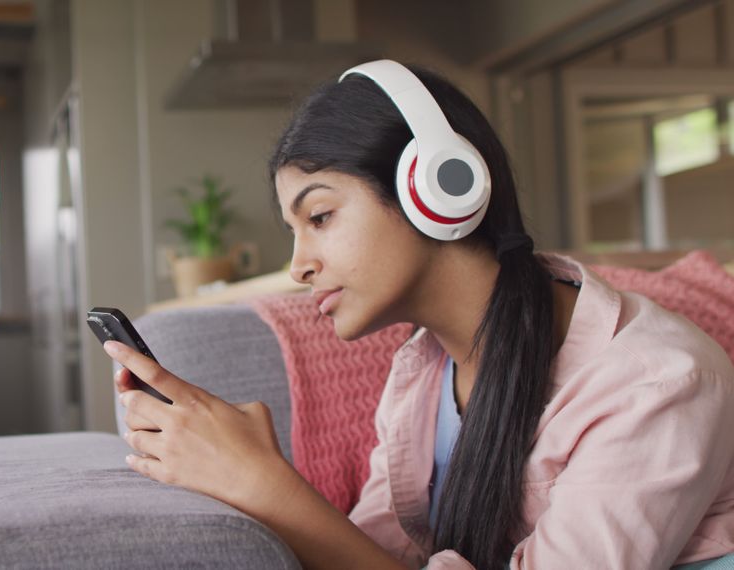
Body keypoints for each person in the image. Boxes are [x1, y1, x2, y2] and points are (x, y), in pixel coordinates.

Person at [104, 60, 734, 569]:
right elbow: (373, 558)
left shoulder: (658, 383)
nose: (298, 266)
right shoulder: (422, 375)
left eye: (319, 217)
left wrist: (271, 488)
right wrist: (246, 478)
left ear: (438, 187)